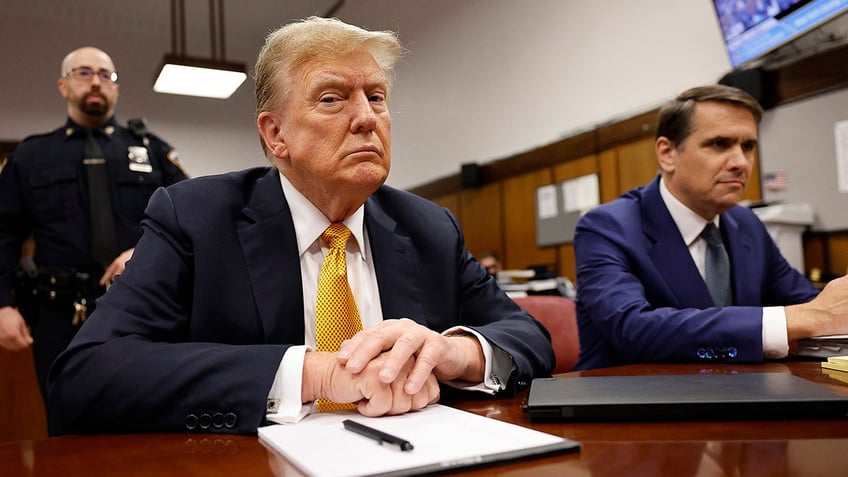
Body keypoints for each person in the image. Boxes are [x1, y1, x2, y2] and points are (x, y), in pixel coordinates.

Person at [47, 17, 554, 435]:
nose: (366, 118)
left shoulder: (428, 227)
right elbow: (88, 374)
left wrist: (452, 352)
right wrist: (316, 373)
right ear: (275, 134)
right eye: (332, 99)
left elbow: (527, 336)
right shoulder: (195, 218)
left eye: (376, 97)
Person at [573, 84, 848, 370]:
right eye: (720, 144)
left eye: (748, 146)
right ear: (667, 153)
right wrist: (798, 320)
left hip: (741, 392)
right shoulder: (606, 227)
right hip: (626, 401)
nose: (741, 163)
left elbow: (810, 303)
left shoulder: (746, 223)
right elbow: (632, 328)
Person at [0, 47, 188, 401]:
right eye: (84, 73)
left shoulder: (153, 151)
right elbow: (3, 234)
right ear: (63, 85)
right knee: (67, 420)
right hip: (59, 314)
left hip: (142, 306)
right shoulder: (31, 156)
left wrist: (144, 250)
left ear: (115, 88)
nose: (97, 82)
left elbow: (188, 221)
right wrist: (2, 305)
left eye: (106, 75)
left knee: (147, 414)